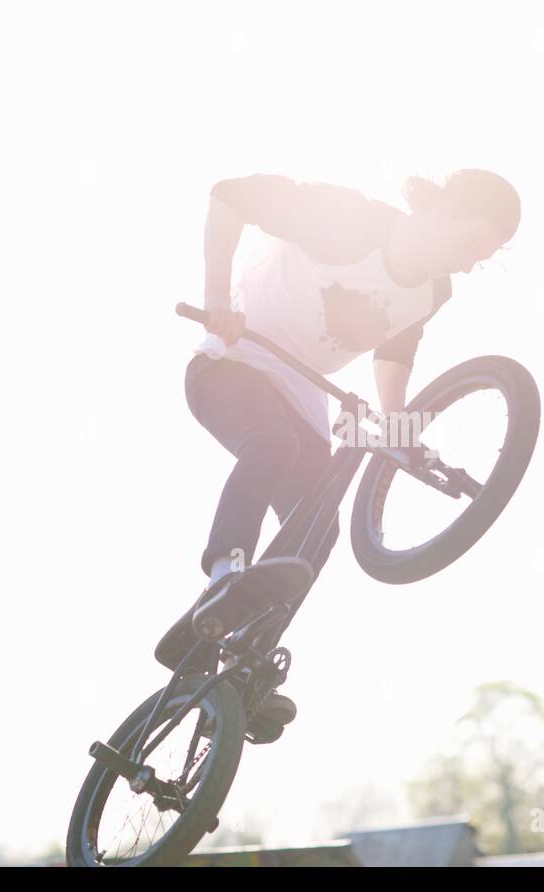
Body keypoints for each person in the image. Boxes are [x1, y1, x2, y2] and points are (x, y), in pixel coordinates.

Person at [156, 168, 521, 738]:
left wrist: (401, 425)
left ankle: (245, 664)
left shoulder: (433, 291)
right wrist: (214, 300)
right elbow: (229, 196)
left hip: (301, 397)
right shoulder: (350, 221)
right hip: (232, 360)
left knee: (317, 527)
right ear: (444, 210)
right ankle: (224, 576)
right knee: (269, 445)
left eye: (485, 256)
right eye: (473, 243)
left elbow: (396, 353)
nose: (471, 263)